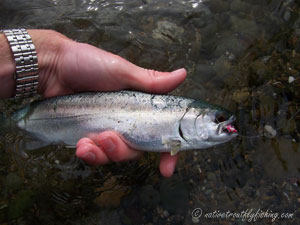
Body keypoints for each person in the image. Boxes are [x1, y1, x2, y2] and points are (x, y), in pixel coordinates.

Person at [0, 29, 187, 177]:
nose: (218, 125)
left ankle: (13, 123)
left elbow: (171, 143)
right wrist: (54, 60)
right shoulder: (176, 138)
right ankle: (12, 124)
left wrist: (54, 60)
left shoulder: (175, 142)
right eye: (217, 119)